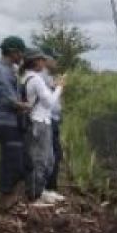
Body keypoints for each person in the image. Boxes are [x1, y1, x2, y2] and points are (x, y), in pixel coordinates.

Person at [0, 36, 30, 208]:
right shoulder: (3, 72)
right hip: (7, 121)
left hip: (7, 120)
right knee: (13, 160)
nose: (22, 57)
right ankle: (6, 200)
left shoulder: (2, 70)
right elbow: (10, 100)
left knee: (14, 159)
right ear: (13, 52)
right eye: (20, 53)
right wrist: (27, 106)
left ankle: (11, 198)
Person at [21, 48, 65, 204]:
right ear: (35, 62)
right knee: (40, 160)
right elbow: (50, 103)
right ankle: (35, 196)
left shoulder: (27, 77)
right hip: (40, 122)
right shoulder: (36, 79)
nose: (44, 62)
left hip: (39, 121)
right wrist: (60, 87)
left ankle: (41, 191)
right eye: (41, 59)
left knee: (48, 159)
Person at [43, 53, 64, 194]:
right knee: (51, 155)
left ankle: (51, 187)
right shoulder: (41, 78)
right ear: (46, 60)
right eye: (54, 59)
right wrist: (59, 87)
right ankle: (48, 188)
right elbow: (49, 101)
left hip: (53, 120)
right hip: (48, 120)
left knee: (56, 154)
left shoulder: (48, 77)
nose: (56, 63)